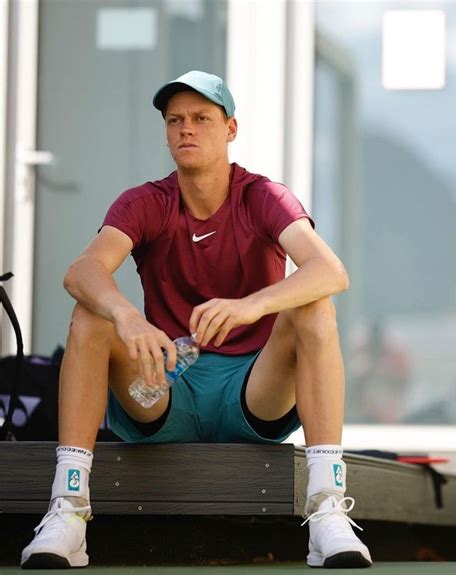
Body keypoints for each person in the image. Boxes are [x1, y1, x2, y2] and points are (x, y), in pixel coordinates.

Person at [20, 71, 372, 569]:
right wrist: (128, 318)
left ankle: (327, 510)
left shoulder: (263, 197)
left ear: (230, 129)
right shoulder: (147, 201)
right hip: (167, 385)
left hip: (252, 389)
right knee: (90, 315)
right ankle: (69, 510)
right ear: (166, 132)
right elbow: (82, 271)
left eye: (201, 119)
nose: (187, 129)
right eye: (176, 121)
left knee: (315, 307)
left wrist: (252, 305)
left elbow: (330, 271)